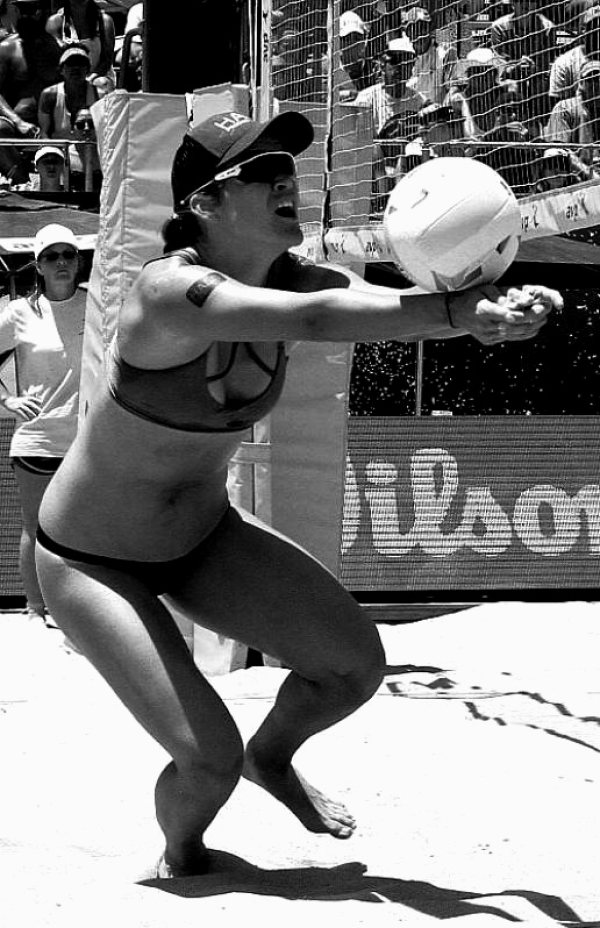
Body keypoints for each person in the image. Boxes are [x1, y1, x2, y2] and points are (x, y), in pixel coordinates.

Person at [34, 110, 562, 878]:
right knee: (206, 762)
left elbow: (364, 301)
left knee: (353, 669)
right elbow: (318, 318)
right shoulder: (166, 291)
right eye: (261, 172)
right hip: (92, 559)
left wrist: (489, 311)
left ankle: (272, 757)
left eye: (288, 167)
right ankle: (184, 853)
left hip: (201, 539)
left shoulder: (292, 276)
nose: (287, 179)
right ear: (204, 203)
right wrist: (456, 314)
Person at [0, 223, 84, 625]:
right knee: (35, 529)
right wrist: (7, 400)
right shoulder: (19, 312)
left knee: (82, 532)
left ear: (78, 261)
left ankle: (78, 612)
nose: (61, 262)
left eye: (68, 254)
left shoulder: (98, 307)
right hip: (36, 440)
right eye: (51, 256)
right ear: (38, 266)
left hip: (87, 442)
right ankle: (35, 609)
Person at [0, 0, 62, 182]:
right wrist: (18, 121)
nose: (27, 16)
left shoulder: (56, 48)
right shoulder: (6, 49)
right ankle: (21, 180)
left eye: (33, 10)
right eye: (22, 10)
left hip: (53, 121)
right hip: (18, 123)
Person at [38, 44, 100, 189]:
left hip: (92, 152)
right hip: (60, 153)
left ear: (88, 70)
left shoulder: (99, 94)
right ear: (61, 70)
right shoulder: (49, 95)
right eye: (70, 64)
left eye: (81, 64)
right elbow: (44, 133)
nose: (75, 69)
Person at [47, 0, 116, 95]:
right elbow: (51, 60)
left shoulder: (105, 21)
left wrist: (89, 79)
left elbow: (107, 61)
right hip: (66, 77)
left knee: (102, 84)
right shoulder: (55, 21)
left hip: (97, 76)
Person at [545, 58, 600, 172]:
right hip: (578, 176)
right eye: (591, 79)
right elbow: (558, 152)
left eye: (598, 79)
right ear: (581, 83)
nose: (596, 84)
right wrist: (589, 174)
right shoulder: (565, 108)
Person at [402, 6, 457, 105]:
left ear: (430, 29)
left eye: (423, 27)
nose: (419, 34)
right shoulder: (402, 58)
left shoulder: (445, 53)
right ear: (408, 33)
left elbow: (453, 90)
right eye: (414, 28)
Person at [549, 4, 600, 104]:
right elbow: (557, 105)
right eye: (593, 26)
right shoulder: (564, 63)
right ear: (583, 30)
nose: (597, 30)